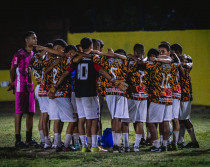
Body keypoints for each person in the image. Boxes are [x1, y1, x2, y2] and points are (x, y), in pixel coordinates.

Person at [8, 31, 38, 147]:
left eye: (36, 38)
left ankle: (29, 139)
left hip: (30, 88)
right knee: (19, 113)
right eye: (33, 38)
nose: (35, 40)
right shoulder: (19, 54)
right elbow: (12, 69)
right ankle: (18, 140)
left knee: (30, 113)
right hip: (20, 87)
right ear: (27, 40)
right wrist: (13, 82)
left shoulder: (33, 55)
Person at [170, 43, 199, 148]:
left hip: (185, 93)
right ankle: (180, 141)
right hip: (179, 93)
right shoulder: (180, 60)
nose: (170, 55)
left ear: (176, 52)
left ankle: (194, 142)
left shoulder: (186, 59)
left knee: (185, 119)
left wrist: (177, 60)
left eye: (172, 53)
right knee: (179, 118)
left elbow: (184, 73)